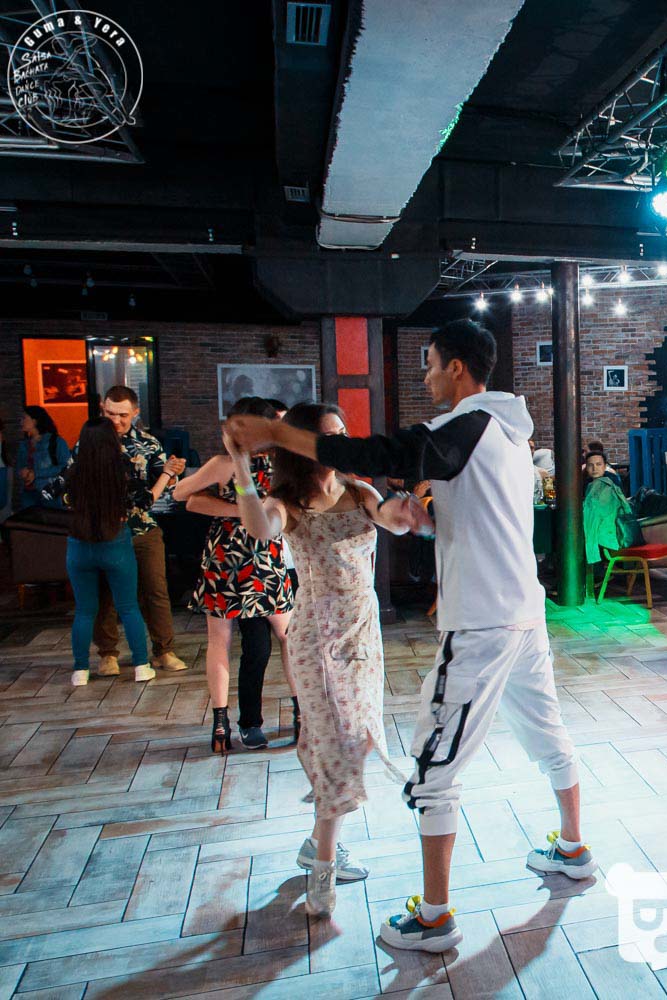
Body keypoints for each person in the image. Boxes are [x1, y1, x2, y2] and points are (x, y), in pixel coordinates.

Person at [227, 319, 592, 954]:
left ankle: (435, 919)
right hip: (521, 611)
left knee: (433, 771)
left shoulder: (466, 426)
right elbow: (460, 510)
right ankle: (573, 850)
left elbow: (382, 454)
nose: (424, 377)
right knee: (546, 731)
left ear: (456, 368)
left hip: (480, 621)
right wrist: (423, 518)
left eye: (429, 365)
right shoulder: (506, 430)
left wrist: (278, 434)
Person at [229, 403, 425, 917]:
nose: (341, 442)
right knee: (337, 741)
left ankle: (320, 844)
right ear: (301, 443)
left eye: (343, 433)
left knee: (353, 738)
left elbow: (392, 522)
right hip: (316, 637)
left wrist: (408, 513)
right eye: (330, 435)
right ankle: (322, 866)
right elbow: (259, 529)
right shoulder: (287, 502)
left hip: (363, 634)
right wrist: (242, 467)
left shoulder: (359, 492)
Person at [176, 397, 294, 753]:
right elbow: (186, 498)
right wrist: (246, 511)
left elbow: (181, 493)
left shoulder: (223, 464)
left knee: (220, 641)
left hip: (226, 554)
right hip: (264, 555)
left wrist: (231, 510)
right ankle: (301, 714)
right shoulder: (281, 464)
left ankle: (220, 725)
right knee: (289, 635)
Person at [84, 388, 189, 677]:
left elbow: (164, 482)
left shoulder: (148, 443)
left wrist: (173, 472)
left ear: (135, 413)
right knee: (104, 592)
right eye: (110, 413)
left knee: (155, 589)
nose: (116, 420)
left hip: (143, 528)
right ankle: (107, 653)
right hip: (104, 531)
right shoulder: (90, 440)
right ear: (102, 409)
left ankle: (164, 650)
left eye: (122, 415)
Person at [48, 419, 153, 687]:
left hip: (79, 543)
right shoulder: (123, 467)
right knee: (128, 607)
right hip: (115, 540)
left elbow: (48, 494)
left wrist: (71, 504)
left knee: (85, 611)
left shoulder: (74, 470)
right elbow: (144, 500)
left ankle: (80, 670)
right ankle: (141, 666)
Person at [15, 405, 71, 511]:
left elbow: (66, 467)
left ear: (34, 421)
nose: (21, 422)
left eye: (24, 418)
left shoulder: (55, 442)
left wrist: (36, 473)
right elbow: (19, 466)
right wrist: (23, 472)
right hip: (28, 494)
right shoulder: (24, 445)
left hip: (50, 492)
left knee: (52, 519)